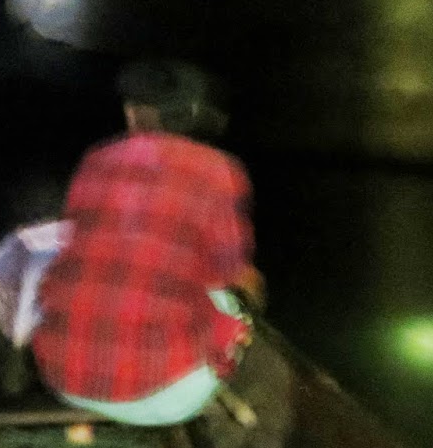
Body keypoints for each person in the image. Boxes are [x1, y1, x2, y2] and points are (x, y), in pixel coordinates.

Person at [30, 59, 264, 429]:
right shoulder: (219, 170)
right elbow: (227, 270)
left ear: (132, 113)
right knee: (232, 296)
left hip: (62, 377)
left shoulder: (95, 159)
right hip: (164, 398)